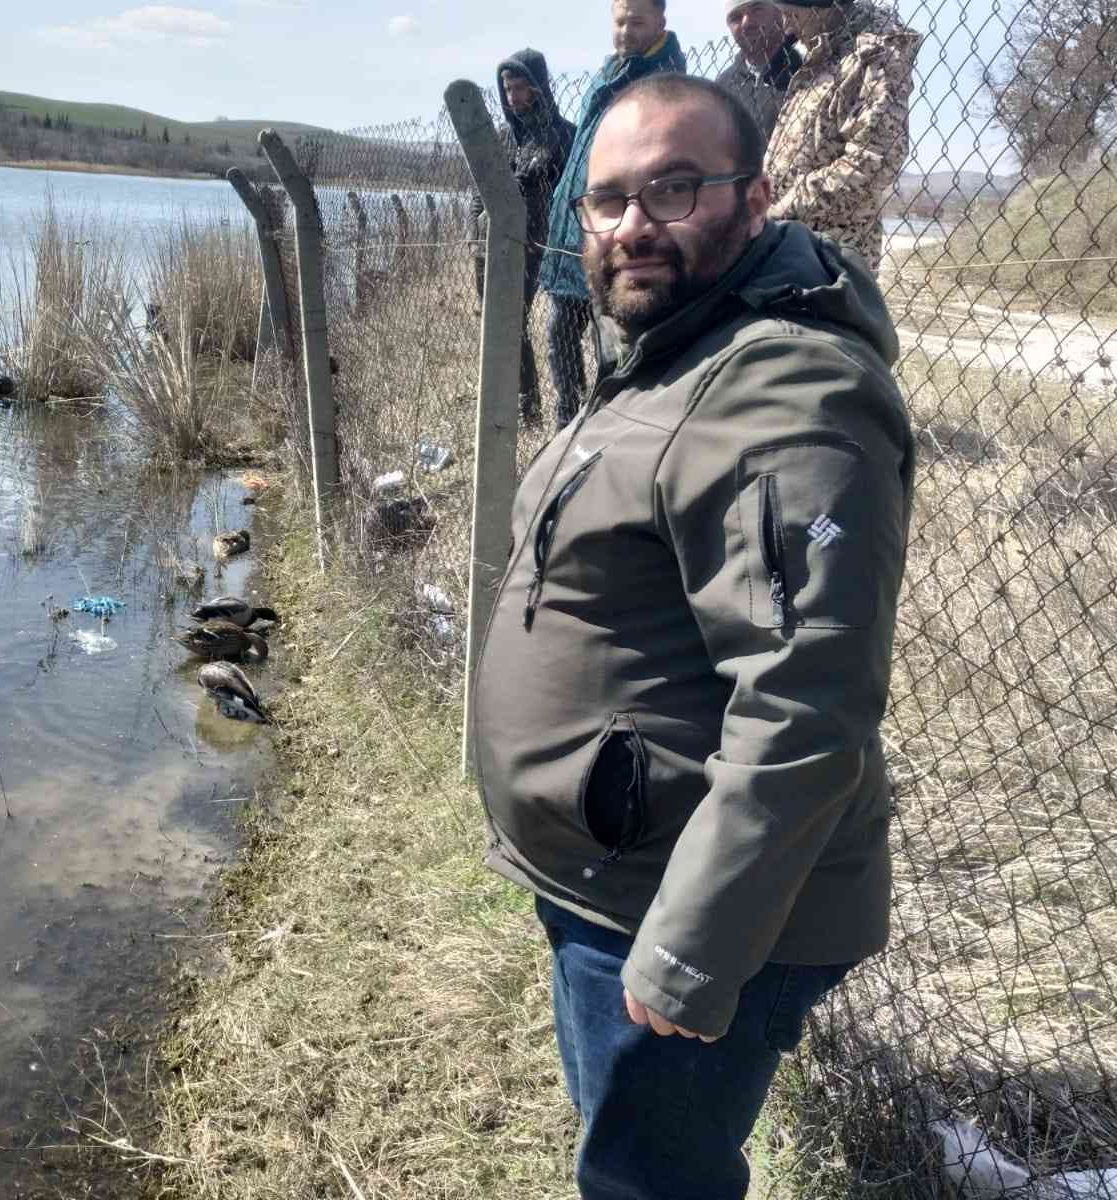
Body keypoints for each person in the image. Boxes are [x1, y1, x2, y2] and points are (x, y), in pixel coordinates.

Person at [471, 73, 913, 1199]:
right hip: (614, 873)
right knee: (627, 1155)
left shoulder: (782, 389)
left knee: (649, 1183)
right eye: (606, 200)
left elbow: (806, 703)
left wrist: (687, 953)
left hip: (676, 904)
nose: (631, 227)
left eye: (673, 189)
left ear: (756, 197)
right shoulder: (674, 350)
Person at [537, 0, 685, 428]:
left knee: (614, 346)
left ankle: (611, 429)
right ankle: (566, 427)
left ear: (661, 22)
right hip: (572, 235)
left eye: (637, 22)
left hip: (618, 237)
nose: (625, 31)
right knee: (558, 342)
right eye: (620, 21)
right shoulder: (606, 74)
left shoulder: (665, 83)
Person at [766, 0, 921, 270]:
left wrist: (780, 212)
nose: (786, 26)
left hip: (829, 262)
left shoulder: (875, 51)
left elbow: (873, 161)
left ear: (824, 6)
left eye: (792, 14)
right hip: (790, 248)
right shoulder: (825, 52)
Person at [471, 50, 577, 426]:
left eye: (521, 88)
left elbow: (565, 194)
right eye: (507, 89)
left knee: (529, 321)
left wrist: (540, 227)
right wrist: (476, 231)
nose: (514, 97)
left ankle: (533, 406)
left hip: (538, 242)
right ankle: (521, 400)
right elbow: (479, 188)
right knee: (499, 320)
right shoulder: (504, 138)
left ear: (539, 87)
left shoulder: (565, 136)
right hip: (492, 239)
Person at [716, 0, 802, 139]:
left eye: (757, 10)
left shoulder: (807, 63)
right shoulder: (723, 85)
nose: (746, 23)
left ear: (779, 12)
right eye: (735, 17)